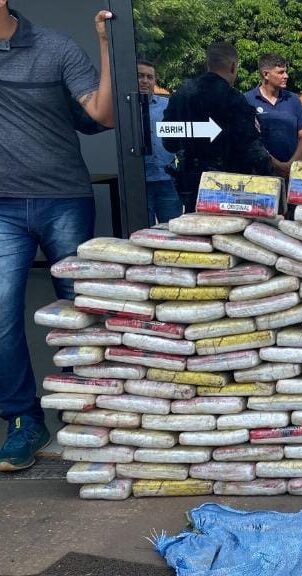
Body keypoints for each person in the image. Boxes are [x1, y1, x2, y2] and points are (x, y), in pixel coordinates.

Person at [0, 3, 115, 472]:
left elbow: (104, 115)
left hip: (63, 198)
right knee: (2, 314)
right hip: (3, 207)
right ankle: (24, 421)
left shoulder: (55, 47)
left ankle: (81, 406)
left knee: (77, 311)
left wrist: (106, 45)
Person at [162, 42, 277, 211]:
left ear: (207, 64)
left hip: (190, 184)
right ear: (233, 67)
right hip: (229, 185)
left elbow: (169, 142)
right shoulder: (233, 98)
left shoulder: (180, 96)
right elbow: (251, 147)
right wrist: (270, 176)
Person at [245, 53, 302, 174]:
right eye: (280, 72)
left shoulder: (294, 99)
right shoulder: (247, 101)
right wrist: (276, 165)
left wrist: (291, 164)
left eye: (285, 72)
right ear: (266, 74)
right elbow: (248, 140)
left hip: (292, 173)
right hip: (260, 175)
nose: (286, 76)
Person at [137, 58, 182, 225]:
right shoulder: (123, 109)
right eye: (140, 76)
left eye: (149, 77)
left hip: (167, 180)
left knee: (173, 229)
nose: (145, 81)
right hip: (139, 182)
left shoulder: (168, 106)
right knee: (142, 231)